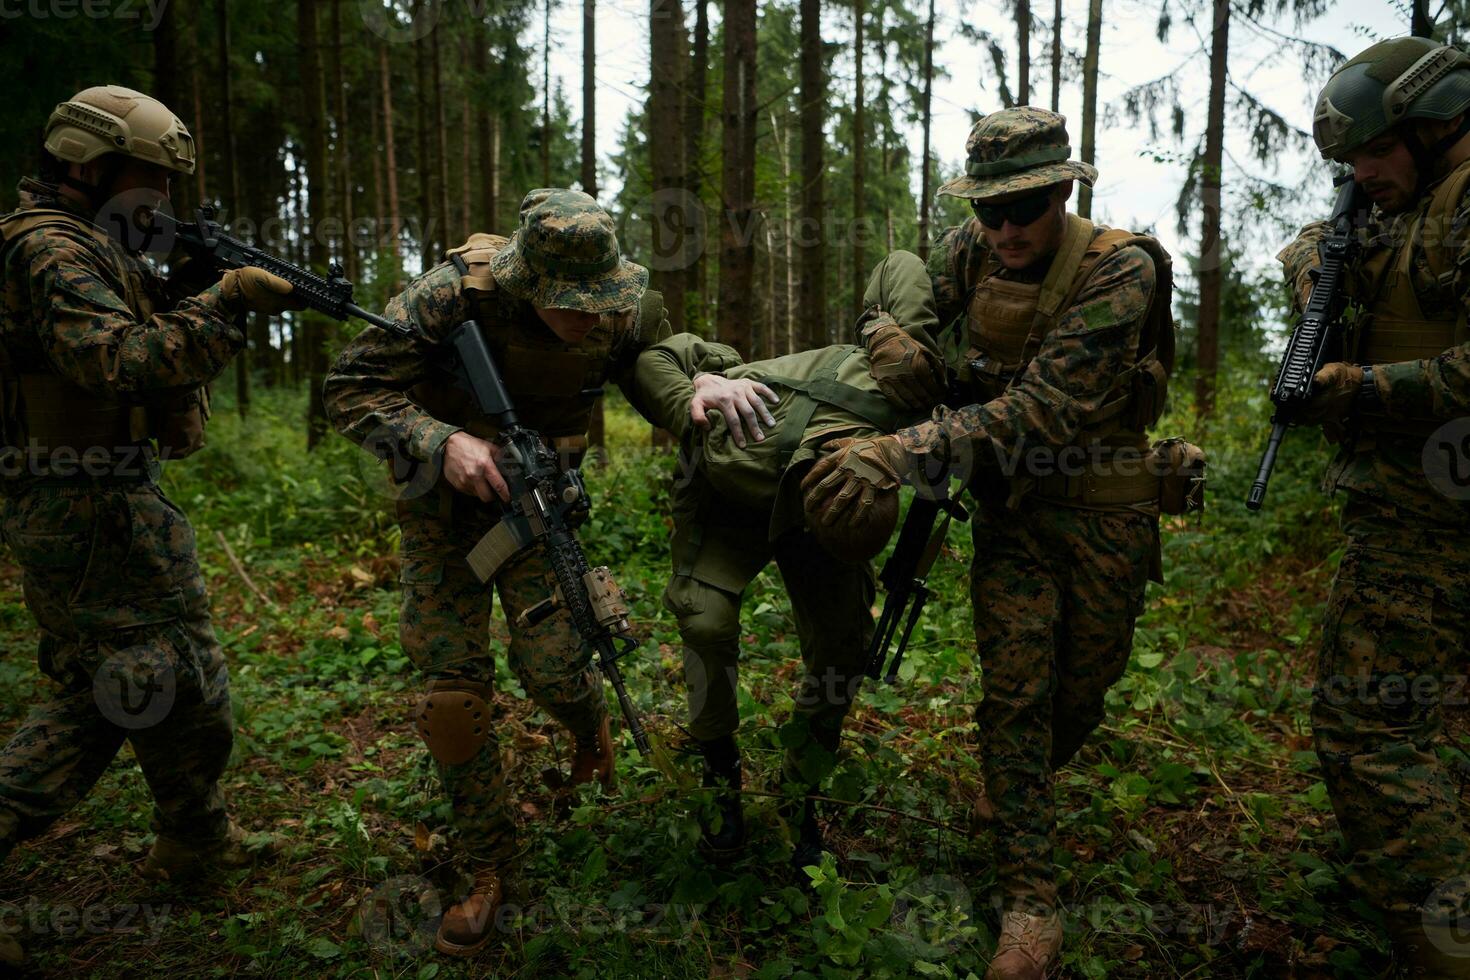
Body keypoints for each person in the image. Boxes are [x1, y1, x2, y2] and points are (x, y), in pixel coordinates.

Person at [806, 107, 1177, 980]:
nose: (1005, 230)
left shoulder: (1119, 268)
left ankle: (1018, 787)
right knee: (1015, 693)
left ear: (1063, 191)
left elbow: (1046, 408)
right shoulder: (969, 252)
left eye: (1025, 208)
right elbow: (901, 313)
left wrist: (907, 450)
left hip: (1104, 506)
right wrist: (889, 340)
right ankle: (1029, 902)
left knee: (1083, 687)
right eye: (989, 212)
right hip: (1012, 507)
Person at [323, 188, 671, 957]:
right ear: (527, 283)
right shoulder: (447, 296)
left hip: (538, 507)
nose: (590, 317)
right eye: (570, 304)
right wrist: (439, 439)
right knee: (454, 696)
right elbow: (347, 388)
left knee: (557, 669)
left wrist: (700, 386)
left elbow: (660, 368)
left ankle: (589, 728)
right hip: (438, 515)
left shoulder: (623, 307)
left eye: (599, 301)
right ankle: (487, 865)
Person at [0, 85, 299, 969]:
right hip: (83, 505)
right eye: (149, 181)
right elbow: (118, 361)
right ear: (89, 166)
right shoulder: (52, 251)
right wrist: (229, 301)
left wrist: (193, 285)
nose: (161, 203)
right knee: (129, 691)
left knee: (151, 681)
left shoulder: (87, 243)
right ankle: (195, 837)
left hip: (105, 497)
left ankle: (195, 838)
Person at [1278, 37, 1470, 976]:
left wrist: (1361, 388)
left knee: (1368, 730)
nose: (1360, 174)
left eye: (1375, 151)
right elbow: (1328, 243)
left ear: (1437, 123)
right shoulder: (1419, 199)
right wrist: (1316, 266)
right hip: (1417, 508)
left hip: (1431, 520)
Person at [633, 330, 929, 867]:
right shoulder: (731, 422)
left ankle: (801, 792)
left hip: (826, 498)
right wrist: (697, 389)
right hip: (729, 497)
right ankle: (720, 771)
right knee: (705, 621)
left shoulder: (899, 408)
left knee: (844, 644)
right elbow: (658, 354)